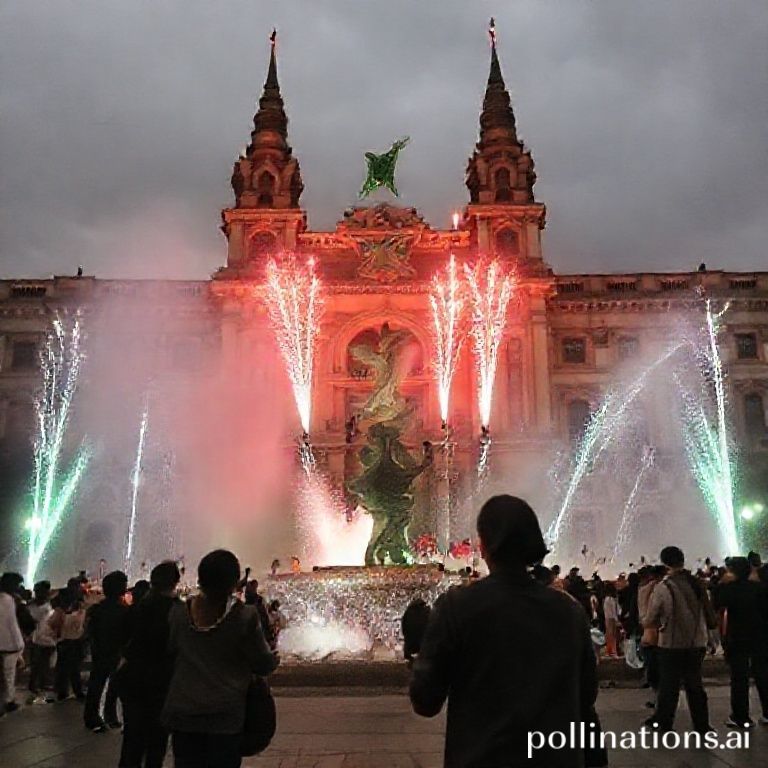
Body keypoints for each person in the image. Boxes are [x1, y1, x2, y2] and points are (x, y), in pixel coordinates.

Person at [409, 495, 597, 768]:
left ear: (483, 546)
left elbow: (425, 701)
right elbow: (587, 693)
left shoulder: (457, 607)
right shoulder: (569, 611)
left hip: (481, 758)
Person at [162, 549, 279, 768]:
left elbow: (170, 651)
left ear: (201, 578)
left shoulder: (178, 613)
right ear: (234, 582)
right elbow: (262, 663)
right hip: (224, 716)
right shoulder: (244, 616)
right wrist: (273, 659)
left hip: (184, 712)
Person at [644, 546, 716, 734]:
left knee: (669, 686)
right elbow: (709, 614)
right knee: (695, 685)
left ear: (664, 563)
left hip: (671, 644)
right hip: (697, 642)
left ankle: (664, 723)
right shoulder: (698, 583)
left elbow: (650, 618)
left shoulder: (663, 587)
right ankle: (702, 725)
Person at [118, 561, 182, 768]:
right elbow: (176, 645)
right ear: (175, 582)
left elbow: (125, 643)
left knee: (132, 738)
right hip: (161, 681)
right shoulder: (177, 610)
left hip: (132, 678)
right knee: (157, 740)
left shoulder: (135, 608)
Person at [714, 556, 768, 728]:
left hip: (738, 639)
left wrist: (721, 583)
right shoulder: (759, 588)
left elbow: (716, 603)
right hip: (760, 637)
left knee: (739, 679)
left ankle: (741, 717)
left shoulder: (729, 589)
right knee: (763, 676)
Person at [84, 570, 129, 731]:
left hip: (100, 652)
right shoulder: (124, 611)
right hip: (115, 653)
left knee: (96, 685)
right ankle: (110, 716)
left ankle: (92, 716)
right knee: (114, 687)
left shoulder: (97, 609)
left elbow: (90, 631)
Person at [49, 585, 87, 701]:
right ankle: (76, 691)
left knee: (64, 668)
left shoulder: (60, 611)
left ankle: (63, 691)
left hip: (65, 642)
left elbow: (52, 624)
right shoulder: (81, 610)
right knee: (73, 669)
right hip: (75, 641)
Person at [0, 574, 26, 715]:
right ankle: (8, 701)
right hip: (9, 644)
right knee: (9, 674)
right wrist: (19, 644)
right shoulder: (9, 600)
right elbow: (12, 624)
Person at [27, 580, 56, 703]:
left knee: (43, 662)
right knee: (38, 663)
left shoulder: (36, 606)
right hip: (37, 638)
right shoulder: (33, 606)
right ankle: (36, 685)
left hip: (46, 639)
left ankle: (39, 685)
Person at [401, 598, 431, 666]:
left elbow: (404, 624)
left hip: (412, 635)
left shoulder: (409, 612)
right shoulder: (426, 612)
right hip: (421, 636)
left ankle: (411, 658)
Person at [602, 583, 619, 658]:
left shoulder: (605, 599)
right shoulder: (612, 599)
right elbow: (614, 611)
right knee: (613, 636)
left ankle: (609, 651)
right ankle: (614, 652)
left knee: (608, 635)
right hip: (612, 619)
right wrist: (617, 620)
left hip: (607, 618)